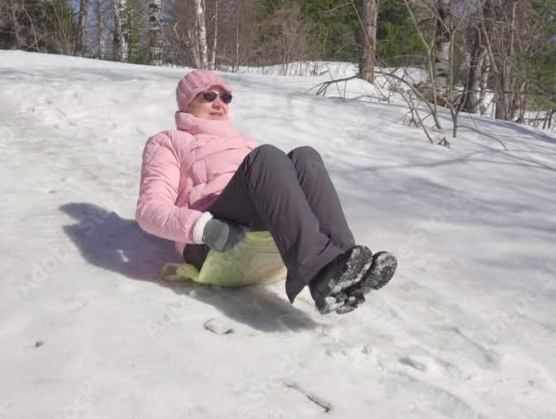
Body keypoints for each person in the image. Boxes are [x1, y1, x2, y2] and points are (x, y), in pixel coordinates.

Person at [136, 69, 396, 314]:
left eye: (225, 97)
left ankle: (345, 265)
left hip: (260, 240)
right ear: (186, 103)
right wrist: (202, 228)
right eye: (208, 96)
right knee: (267, 156)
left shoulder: (245, 142)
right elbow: (149, 209)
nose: (219, 103)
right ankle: (320, 274)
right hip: (210, 242)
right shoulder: (167, 141)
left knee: (306, 157)